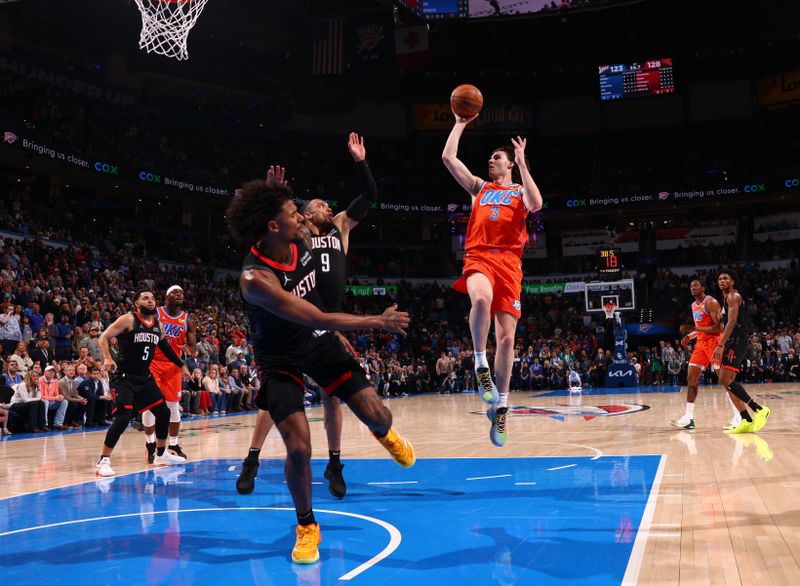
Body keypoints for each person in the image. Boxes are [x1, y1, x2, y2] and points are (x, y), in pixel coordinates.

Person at [225, 178, 414, 565]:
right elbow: (314, 313)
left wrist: (274, 193)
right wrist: (375, 321)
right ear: (273, 227)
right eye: (293, 214)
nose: (301, 219)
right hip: (280, 358)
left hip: (318, 340)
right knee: (298, 446)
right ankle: (307, 525)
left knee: (379, 414)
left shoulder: (302, 241)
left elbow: (323, 298)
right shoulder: (255, 279)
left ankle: (383, 433)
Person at [237, 134, 379, 500]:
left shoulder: (339, 227)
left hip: (324, 321)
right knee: (276, 400)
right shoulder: (295, 236)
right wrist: (270, 199)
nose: (324, 209)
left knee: (334, 397)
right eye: (317, 205)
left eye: (326, 206)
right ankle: (253, 457)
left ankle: (334, 462)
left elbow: (368, 196)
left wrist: (360, 162)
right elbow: (260, 233)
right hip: (296, 322)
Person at [442, 108, 543, 446]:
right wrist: (459, 125)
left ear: (509, 164)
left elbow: (537, 202)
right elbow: (448, 157)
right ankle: (480, 365)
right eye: (489, 158)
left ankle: (501, 408)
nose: (491, 161)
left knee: (507, 339)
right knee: (480, 299)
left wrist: (524, 163)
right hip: (479, 256)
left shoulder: (517, 193)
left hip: (510, 265)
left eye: (496, 158)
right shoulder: (479, 189)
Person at [94, 290, 190, 477]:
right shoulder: (128, 320)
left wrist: (181, 365)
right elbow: (103, 337)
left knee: (163, 412)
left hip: (143, 377)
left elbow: (166, 348)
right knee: (123, 417)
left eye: (153, 298)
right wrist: (106, 357)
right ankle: (103, 461)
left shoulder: (157, 326)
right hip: (123, 376)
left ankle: (161, 454)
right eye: (145, 298)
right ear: (137, 303)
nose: (150, 301)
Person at [143, 286, 197, 463]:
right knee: (152, 405)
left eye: (181, 293)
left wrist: (190, 350)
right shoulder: (156, 313)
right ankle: (150, 445)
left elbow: (193, 346)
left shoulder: (187, 319)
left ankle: (173, 444)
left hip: (174, 365)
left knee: (173, 406)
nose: (179, 295)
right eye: (175, 293)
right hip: (153, 362)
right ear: (166, 297)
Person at [714, 271, 771, 434]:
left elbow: (732, 322)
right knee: (728, 383)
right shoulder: (725, 299)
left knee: (724, 379)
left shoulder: (733, 296)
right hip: (733, 341)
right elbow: (725, 322)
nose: (722, 280)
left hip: (737, 340)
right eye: (719, 279)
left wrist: (720, 345)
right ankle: (745, 419)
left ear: (732, 282)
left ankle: (758, 409)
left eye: (725, 278)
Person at [671, 280, 723, 430]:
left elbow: (719, 327)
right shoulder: (694, 305)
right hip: (701, 344)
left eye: (696, 285)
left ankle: (739, 416)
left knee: (725, 380)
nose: (693, 287)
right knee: (691, 378)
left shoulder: (711, 302)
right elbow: (703, 328)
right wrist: (691, 336)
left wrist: (692, 328)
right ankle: (688, 418)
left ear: (703, 288)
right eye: (691, 286)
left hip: (714, 342)